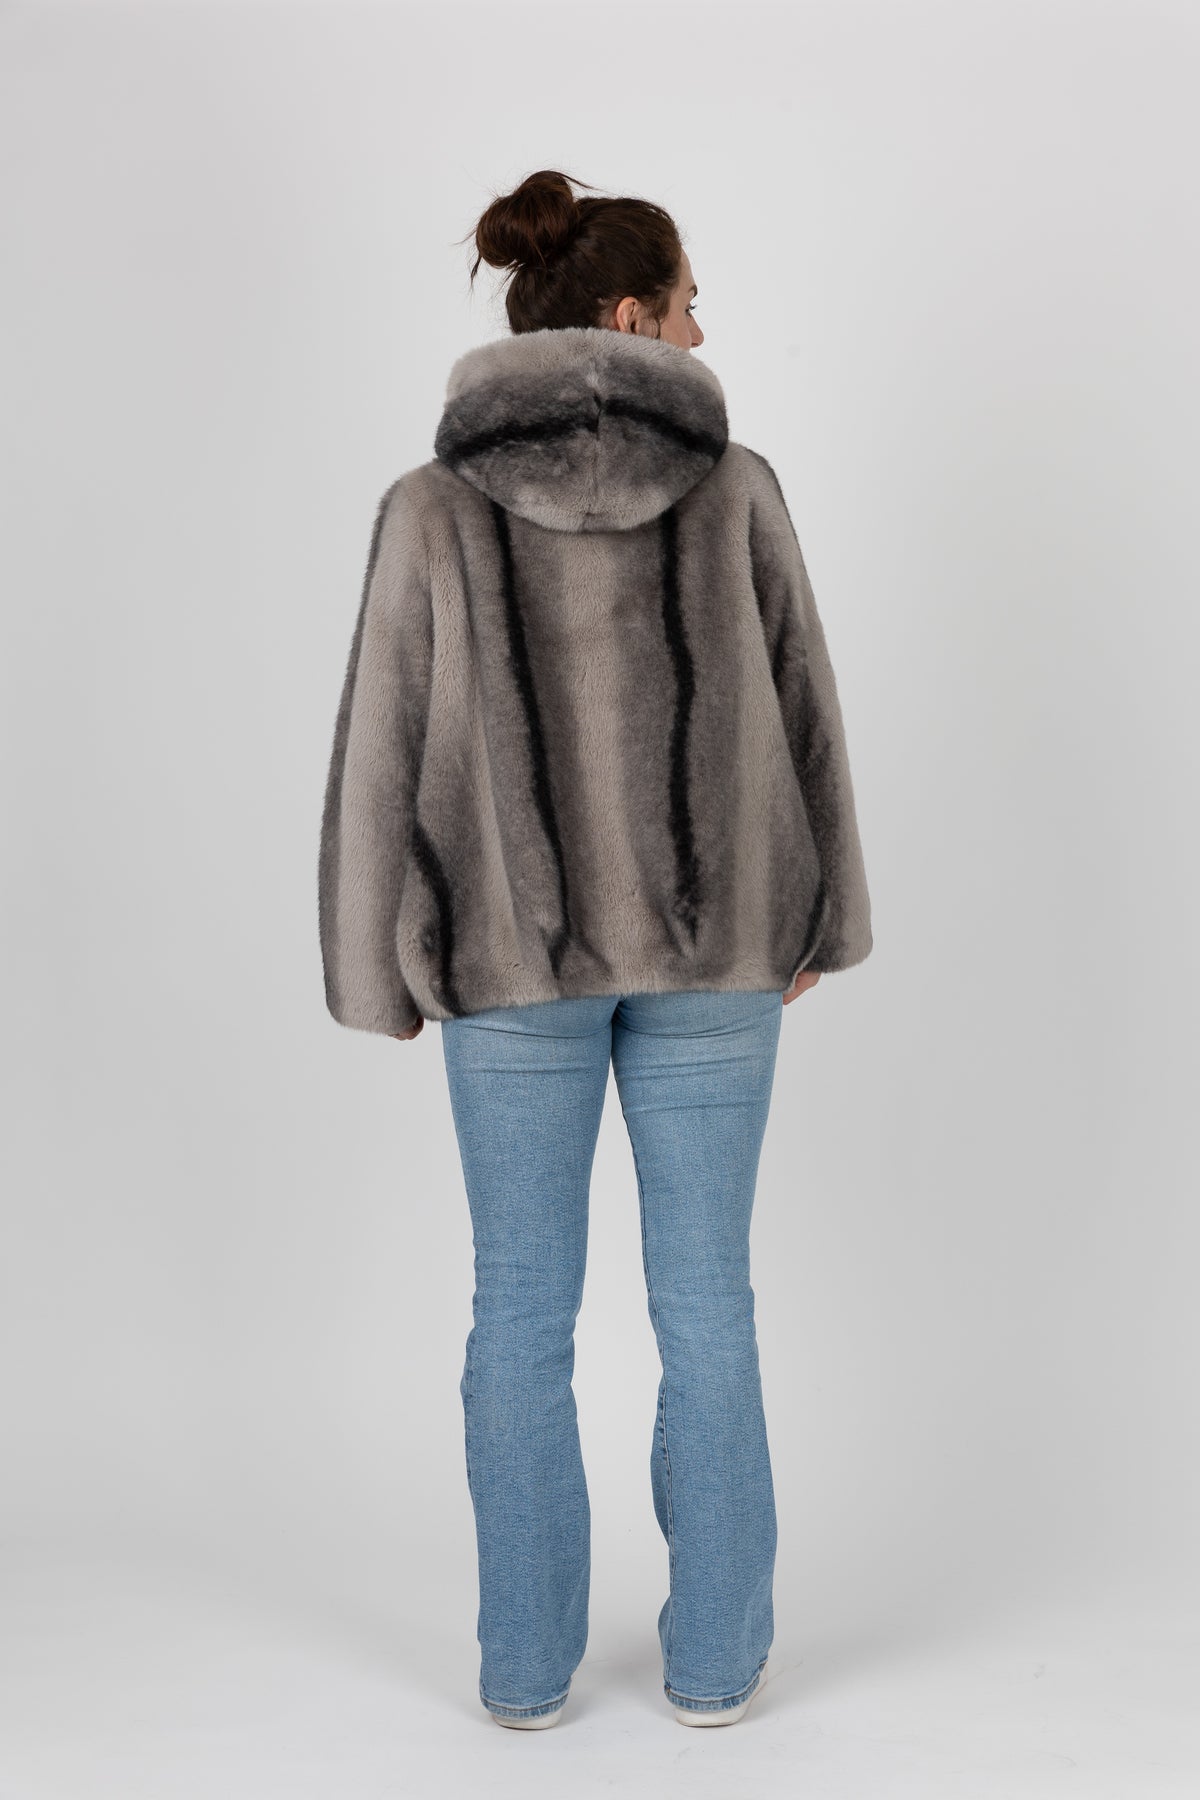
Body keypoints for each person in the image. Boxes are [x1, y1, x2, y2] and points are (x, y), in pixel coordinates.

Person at [317, 168, 873, 1729]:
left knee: (518, 1309)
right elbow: (806, 706)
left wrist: (375, 965)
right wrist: (820, 910)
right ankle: (716, 1665)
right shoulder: (738, 487)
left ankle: (522, 1672)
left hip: (509, 955)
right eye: (690, 304)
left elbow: (381, 743)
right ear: (629, 316)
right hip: (719, 949)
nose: (703, 332)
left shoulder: (432, 508)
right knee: (709, 1304)